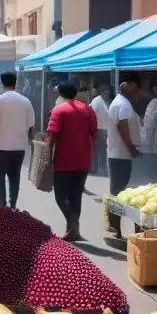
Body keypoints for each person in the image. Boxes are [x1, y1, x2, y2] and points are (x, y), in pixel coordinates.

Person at [47, 81, 97, 241]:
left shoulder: (59, 110)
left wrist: (47, 156)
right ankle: (73, 230)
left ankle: (73, 223)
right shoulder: (88, 109)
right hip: (83, 160)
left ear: (61, 94)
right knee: (76, 195)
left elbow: (51, 136)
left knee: (61, 196)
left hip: (63, 160)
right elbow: (94, 133)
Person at [0, 71, 35, 209]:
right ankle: (12, 205)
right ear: (15, 83)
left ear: (2, 83)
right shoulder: (26, 102)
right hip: (19, 148)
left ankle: (2, 205)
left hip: (1, 147)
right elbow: (31, 126)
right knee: (14, 178)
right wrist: (29, 141)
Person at [106, 77, 142, 239]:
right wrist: (131, 147)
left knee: (117, 189)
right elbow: (123, 127)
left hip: (117, 153)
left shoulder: (119, 102)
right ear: (128, 84)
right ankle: (116, 224)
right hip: (121, 154)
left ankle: (114, 224)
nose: (136, 90)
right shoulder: (124, 105)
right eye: (134, 85)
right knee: (119, 190)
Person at [90, 83, 111, 175]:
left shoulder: (107, 101)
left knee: (103, 150)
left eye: (108, 92)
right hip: (98, 128)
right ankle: (94, 167)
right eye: (105, 92)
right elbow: (92, 114)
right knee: (96, 149)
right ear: (101, 92)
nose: (107, 93)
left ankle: (102, 168)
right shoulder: (96, 101)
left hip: (105, 129)